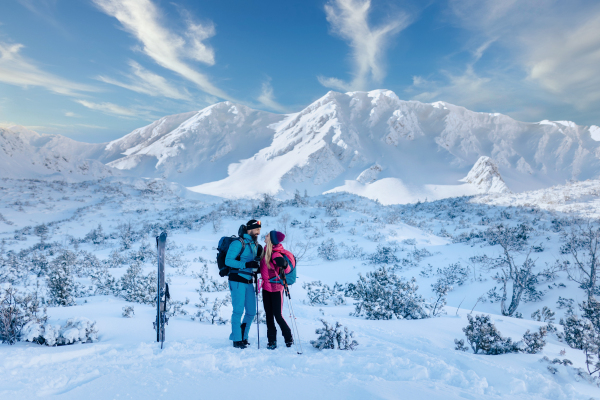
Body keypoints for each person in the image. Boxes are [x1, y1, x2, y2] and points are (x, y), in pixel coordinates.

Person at [226, 219, 262, 349]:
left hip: (249, 281)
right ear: (249, 229)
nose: (258, 232)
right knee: (238, 311)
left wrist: (256, 266)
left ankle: (243, 336)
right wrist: (246, 265)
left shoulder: (254, 245)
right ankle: (237, 339)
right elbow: (228, 261)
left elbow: (253, 264)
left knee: (251, 312)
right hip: (236, 279)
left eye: (259, 230)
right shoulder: (238, 243)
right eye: (256, 229)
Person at [260, 230, 294, 350]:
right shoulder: (266, 251)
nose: (265, 236)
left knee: (277, 315)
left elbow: (287, 268)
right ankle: (272, 341)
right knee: (269, 315)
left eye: (268, 235)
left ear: (272, 239)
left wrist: (283, 264)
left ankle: (288, 338)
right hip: (266, 288)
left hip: (275, 289)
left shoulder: (275, 253)